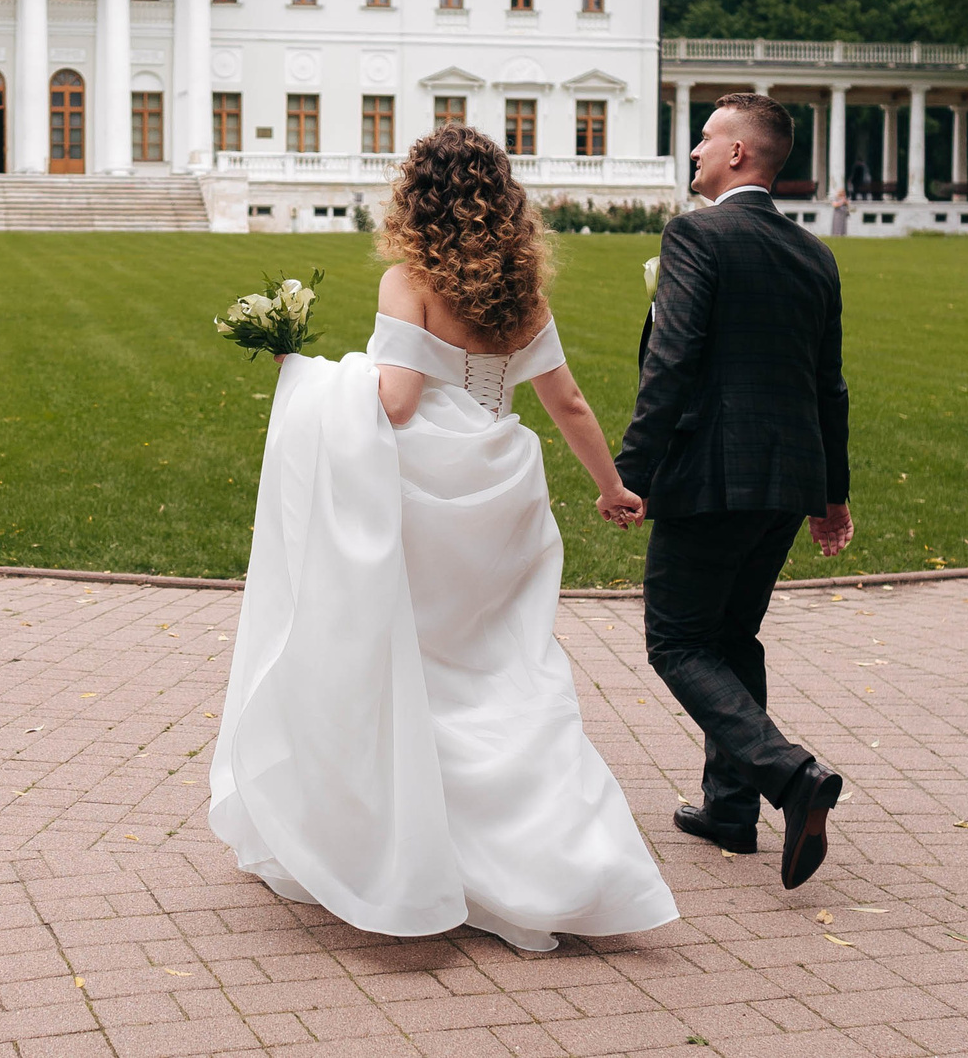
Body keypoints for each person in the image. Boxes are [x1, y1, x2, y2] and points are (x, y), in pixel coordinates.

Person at [210, 125, 678, 953]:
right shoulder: (523, 291)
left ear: (415, 196)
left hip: (426, 494)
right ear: (504, 200)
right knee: (507, 668)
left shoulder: (409, 281)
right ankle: (562, 862)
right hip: (503, 489)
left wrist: (306, 377)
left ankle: (424, 854)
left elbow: (392, 402)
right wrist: (612, 486)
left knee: (425, 675)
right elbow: (566, 401)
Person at [617, 93, 853, 891]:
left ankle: (789, 776)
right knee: (732, 637)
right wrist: (833, 495)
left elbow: (670, 362)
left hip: (710, 476)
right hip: (787, 480)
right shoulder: (815, 256)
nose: (694, 152)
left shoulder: (696, 233)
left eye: (707, 139)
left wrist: (633, 473)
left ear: (742, 155)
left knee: (676, 641)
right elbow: (830, 387)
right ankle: (728, 809)